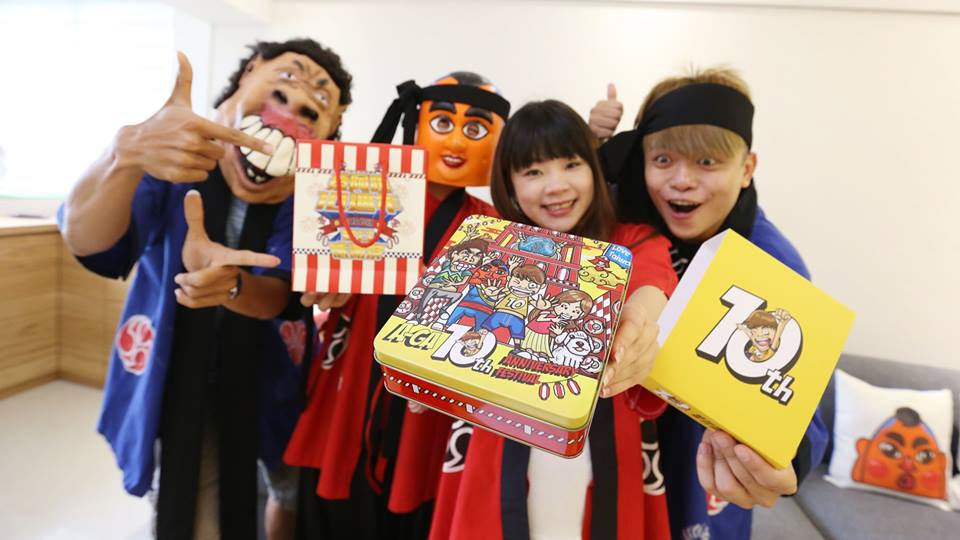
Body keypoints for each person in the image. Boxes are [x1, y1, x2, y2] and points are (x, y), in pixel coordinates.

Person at [58, 38, 353, 539]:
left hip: (270, 375)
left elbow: (282, 295)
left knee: (284, 488)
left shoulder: (313, 193)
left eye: (314, 108)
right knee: (188, 495)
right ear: (251, 70)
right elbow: (89, 243)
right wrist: (124, 154)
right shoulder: (174, 155)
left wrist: (232, 286)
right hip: (171, 370)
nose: (293, 108)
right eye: (285, 85)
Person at [590, 67, 829, 539]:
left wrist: (787, 461)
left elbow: (801, 405)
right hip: (616, 465)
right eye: (663, 159)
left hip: (701, 475)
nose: (682, 181)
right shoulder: (624, 218)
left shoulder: (774, 263)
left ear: (747, 169)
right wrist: (587, 148)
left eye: (707, 162)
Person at [429, 100, 678, 540]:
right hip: (500, 438)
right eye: (533, 171)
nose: (556, 186)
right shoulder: (492, 243)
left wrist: (637, 323)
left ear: (594, 169)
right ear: (508, 183)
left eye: (571, 164)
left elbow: (652, 287)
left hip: (605, 436)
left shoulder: (632, 240)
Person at [283, 71, 511, 539]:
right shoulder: (363, 190)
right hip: (352, 373)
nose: (457, 142)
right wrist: (325, 284)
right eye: (443, 123)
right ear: (416, 124)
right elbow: (321, 266)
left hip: (427, 399)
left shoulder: (494, 225)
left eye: (475, 129)